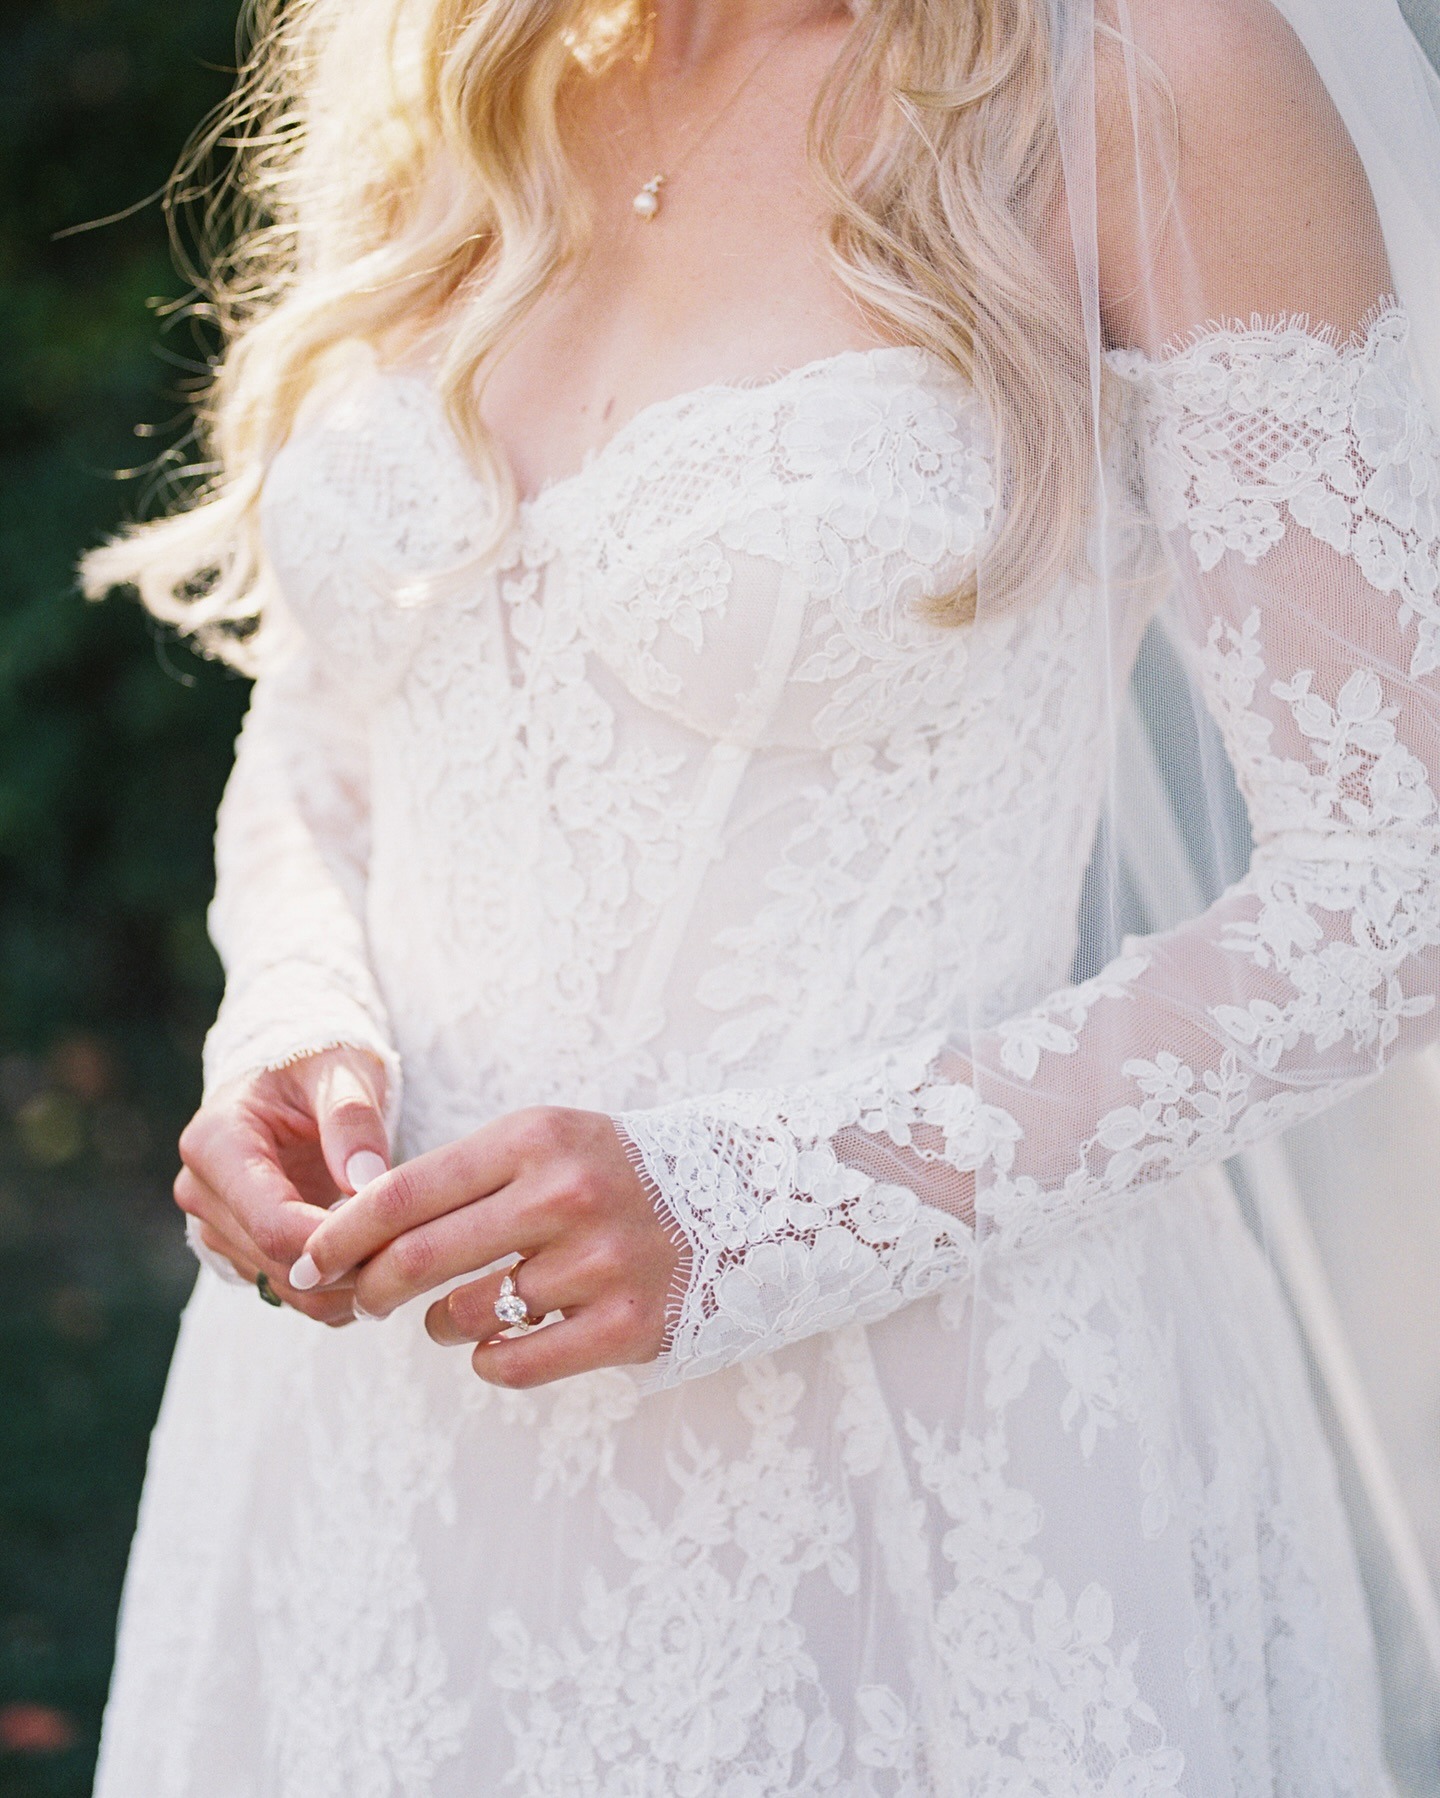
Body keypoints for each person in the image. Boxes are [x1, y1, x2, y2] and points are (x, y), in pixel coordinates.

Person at [82, 0, 1440, 1789]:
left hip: (917, 1463)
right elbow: (336, 738)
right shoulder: (466, 70)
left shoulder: (1145, 77)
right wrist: (290, 1012)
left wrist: (757, 1210)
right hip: (362, 1447)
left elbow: (1388, 882)